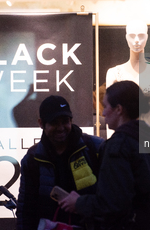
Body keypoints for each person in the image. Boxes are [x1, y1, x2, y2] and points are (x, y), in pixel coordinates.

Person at [60, 80, 150, 230]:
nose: (102, 112)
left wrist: (79, 203)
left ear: (119, 109)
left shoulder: (119, 146)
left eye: (106, 106)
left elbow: (113, 203)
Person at [16, 95, 104, 230]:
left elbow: (112, 199)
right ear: (41, 123)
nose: (61, 127)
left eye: (65, 121)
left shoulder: (95, 148)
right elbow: (26, 210)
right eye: (54, 122)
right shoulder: (32, 159)